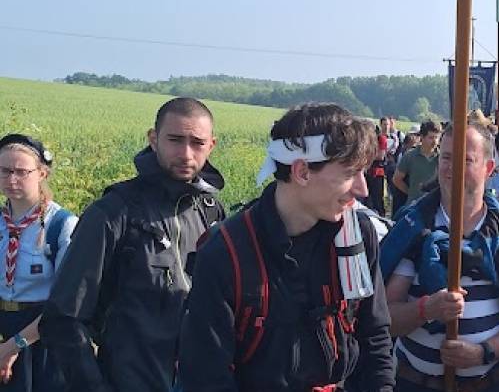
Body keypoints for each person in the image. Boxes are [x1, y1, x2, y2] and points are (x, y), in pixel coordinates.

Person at [179, 103, 394, 391]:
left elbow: (374, 338)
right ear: (302, 171)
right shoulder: (227, 253)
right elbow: (206, 376)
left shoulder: (356, 235)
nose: (363, 189)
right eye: (349, 174)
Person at [40, 97, 225, 392]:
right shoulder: (114, 213)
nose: (186, 153)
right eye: (175, 140)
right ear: (153, 139)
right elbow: (64, 319)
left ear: (211, 145)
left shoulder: (210, 210)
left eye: (197, 143)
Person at [380, 124, 499, 392]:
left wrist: (484, 352)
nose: (452, 168)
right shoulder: (415, 228)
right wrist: (425, 310)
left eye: (466, 160)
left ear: (488, 167)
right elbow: (384, 318)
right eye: (446, 158)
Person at [0, 135, 78, 392]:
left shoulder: (62, 225)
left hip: (43, 336)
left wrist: (13, 347)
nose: (11, 180)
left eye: (21, 172)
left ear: (42, 173)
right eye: (4, 171)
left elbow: (66, 303)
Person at [393, 121, 441, 207]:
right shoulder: (410, 156)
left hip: (435, 205)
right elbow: (397, 179)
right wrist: (411, 193)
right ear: (422, 137)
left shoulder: (441, 158)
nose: (435, 141)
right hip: (414, 205)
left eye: (436, 138)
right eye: (431, 138)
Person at [362, 121, 389, 216]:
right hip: (367, 171)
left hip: (377, 172)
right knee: (366, 198)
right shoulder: (367, 139)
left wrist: (365, 155)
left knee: (377, 199)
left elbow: (380, 156)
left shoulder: (381, 139)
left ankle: (381, 216)